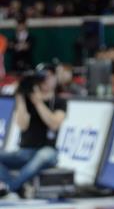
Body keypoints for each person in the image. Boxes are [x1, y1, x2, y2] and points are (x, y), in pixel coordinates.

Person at [0, 63, 66, 199]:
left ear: (55, 77)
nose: (45, 80)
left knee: (42, 156)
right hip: (25, 151)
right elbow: (22, 125)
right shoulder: (27, 100)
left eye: (48, 76)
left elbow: (54, 124)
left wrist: (38, 102)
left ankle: (11, 187)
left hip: (48, 150)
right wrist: (20, 98)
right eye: (42, 77)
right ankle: (18, 187)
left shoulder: (59, 101)